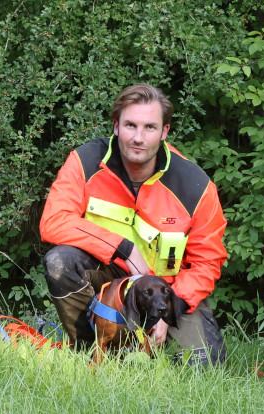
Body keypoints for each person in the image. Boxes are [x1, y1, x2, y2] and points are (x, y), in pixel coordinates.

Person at [39, 83, 228, 365]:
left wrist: (169, 308)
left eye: (150, 128)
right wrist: (123, 248)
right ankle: (92, 352)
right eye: (130, 125)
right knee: (60, 262)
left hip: (169, 291)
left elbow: (207, 262)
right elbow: (53, 221)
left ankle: (149, 347)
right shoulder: (85, 161)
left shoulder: (195, 185)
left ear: (164, 132)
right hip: (111, 279)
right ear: (116, 126)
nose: (138, 138)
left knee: (205, 364)